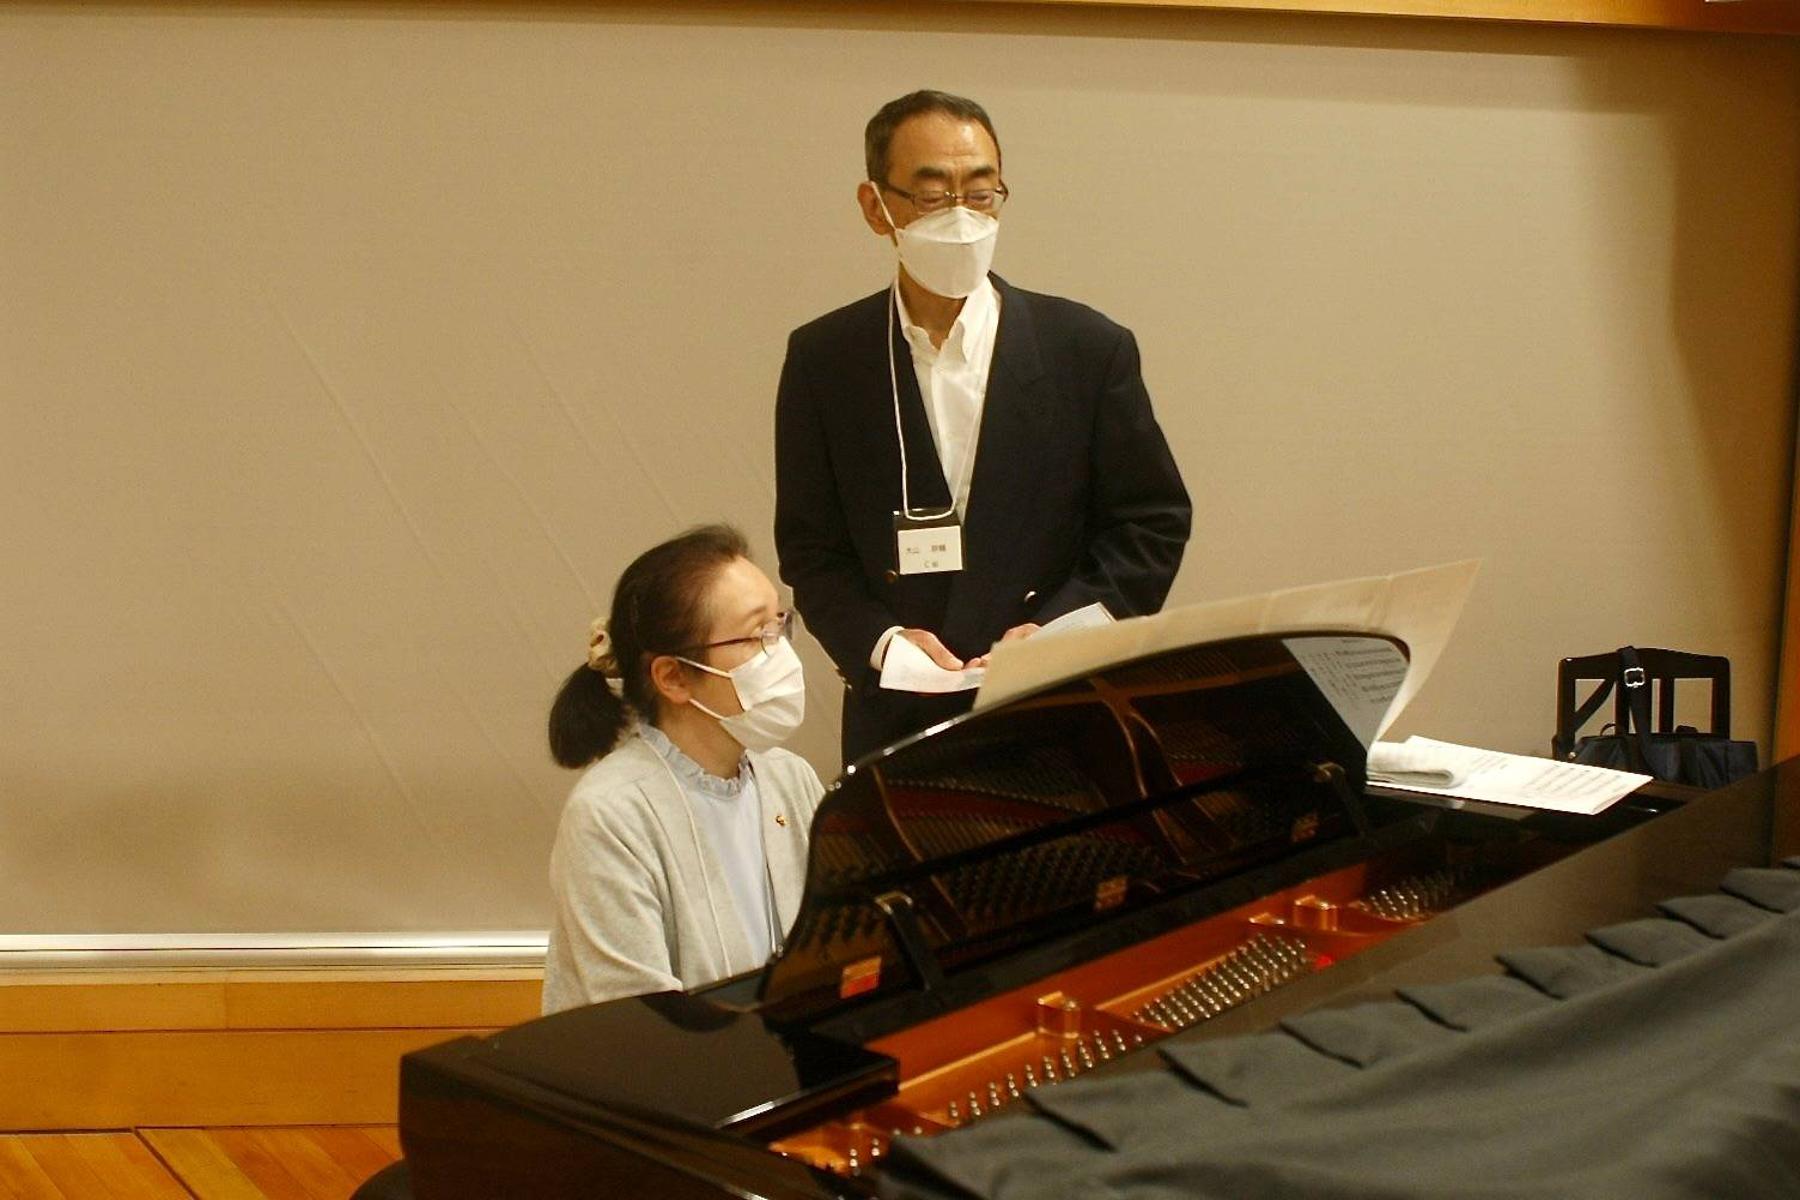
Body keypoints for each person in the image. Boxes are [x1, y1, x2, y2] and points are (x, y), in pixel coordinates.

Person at [775, 89, 1192, 763]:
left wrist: (1059, 633)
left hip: (1058, 707)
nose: (961, 216)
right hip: (898, 718)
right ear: (876, 207)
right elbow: (811, 551)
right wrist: (882, 643)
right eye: (931, 195)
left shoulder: (1085, 349)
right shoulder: (826, 358)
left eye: (980, 192)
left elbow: (1150, 523)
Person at [541, 524, 824, 1014]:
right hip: (681, 1061)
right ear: (673, 677)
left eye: (779, 625)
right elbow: (641, 1022)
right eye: (757, 635)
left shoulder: (790, 779)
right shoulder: (611, 814)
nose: (781, 653)